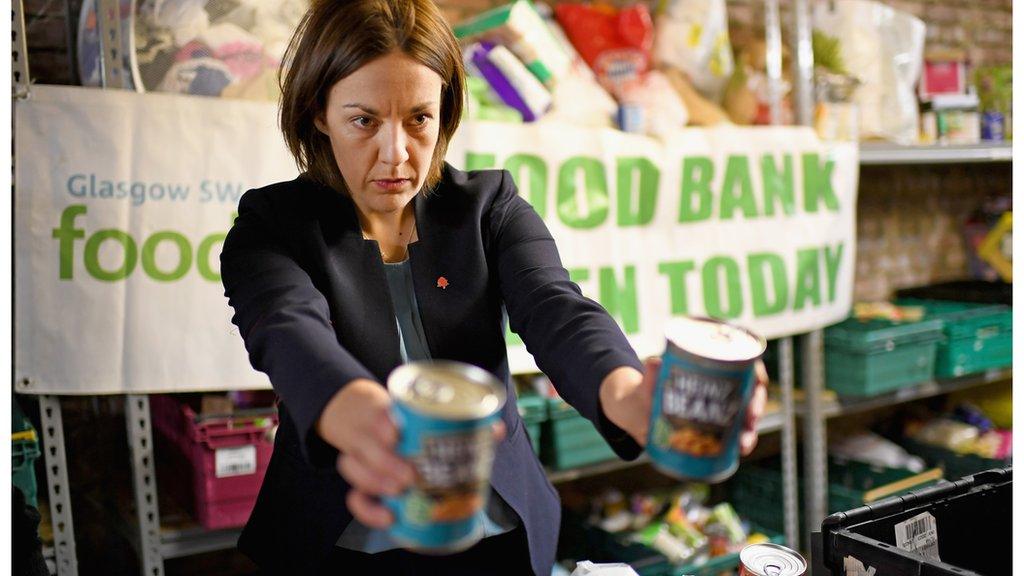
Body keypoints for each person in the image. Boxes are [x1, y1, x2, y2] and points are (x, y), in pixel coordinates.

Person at [220, 0, 767, 573]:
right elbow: (285, 326)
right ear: (318, 112)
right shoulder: (271, 226)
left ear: (445, 113)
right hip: (342, 541)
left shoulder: (487, 208)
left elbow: (557, 309)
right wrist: (355, 412)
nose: (396, 152)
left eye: (418, 118)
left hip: (496, 537)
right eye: (364, 120)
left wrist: (629, 394)